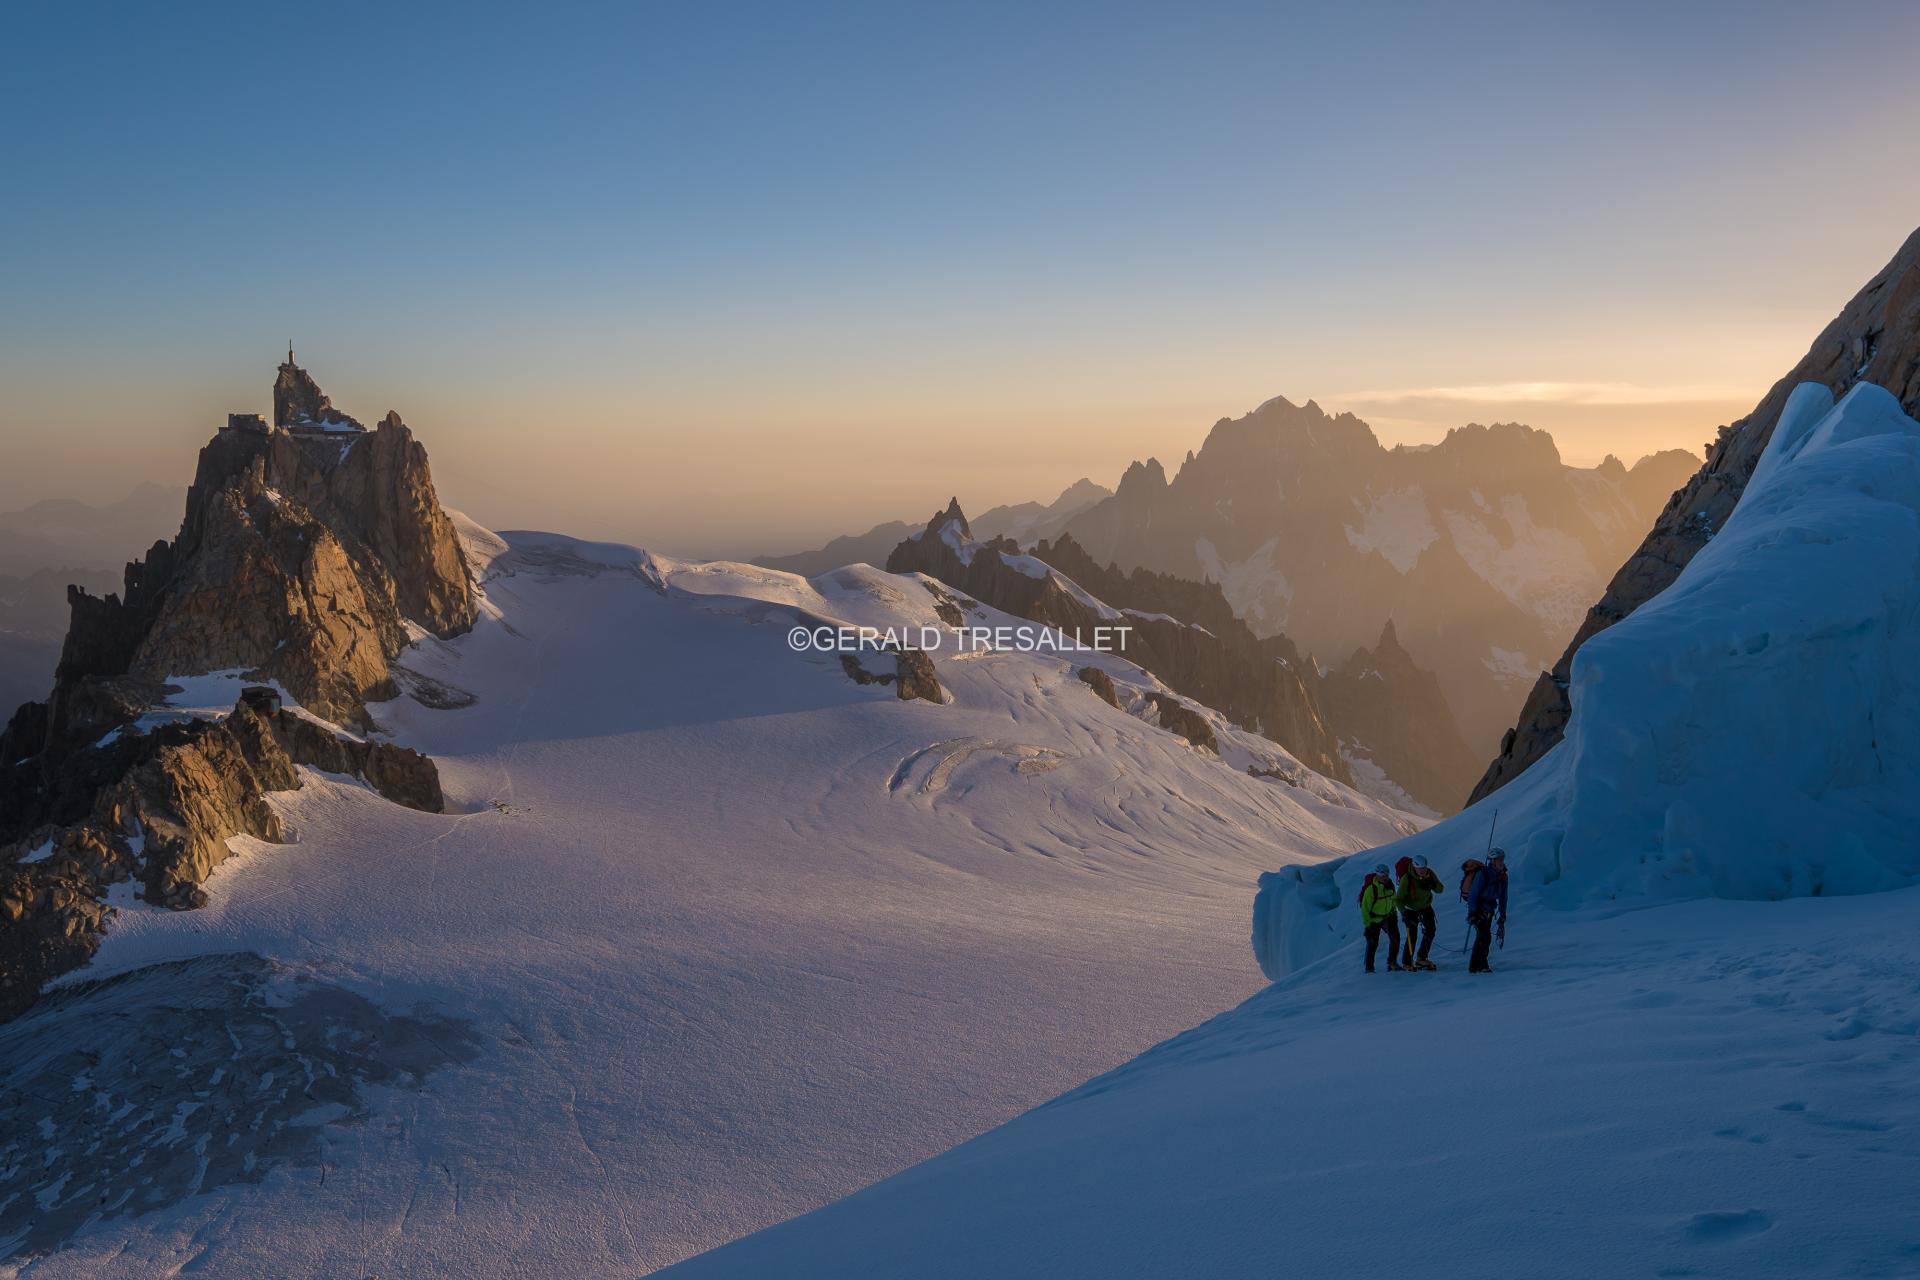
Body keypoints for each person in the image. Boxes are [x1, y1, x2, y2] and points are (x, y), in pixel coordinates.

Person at [1393, 853, 1444, 970]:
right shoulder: (1407, 878)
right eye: (1420, 868)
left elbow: (1440, 889)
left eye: (1424, 868)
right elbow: (1398, 899)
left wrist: (1432, 884)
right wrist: (1404, 912)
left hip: (1425, 907)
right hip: (1411, 909)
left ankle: (1421, 958)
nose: (1422, 870)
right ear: (1414, 867)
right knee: (1412, 935)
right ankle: (1407, 962)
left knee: (1430, 930)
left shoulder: (1429, 874)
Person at [1465, 847, 1509, 973]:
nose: (1501, 861)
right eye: (1498, 859)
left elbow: (1503, 896)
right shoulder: (1483, 874)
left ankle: (1474, 966)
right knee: (1484, 936)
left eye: (1502, 859)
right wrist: (1472, 913)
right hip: (1479, 910)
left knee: (1482, 937)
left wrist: (1503, 913)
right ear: (1492, 860)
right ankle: (1482, 964)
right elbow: (1473, 895)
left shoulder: (1503, 876)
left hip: (1489, 910)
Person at [1359, 862, 1403, 973]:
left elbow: (1393, 900)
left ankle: (1392, 963)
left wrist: (1394, 913)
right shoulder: (1371, 890)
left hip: (1388, 917)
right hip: (1374, 919)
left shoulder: (1390, 885)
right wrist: (1368, 924)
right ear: (1377, 875)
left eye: (1386, 875)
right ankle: (1369, 968)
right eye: (1382, 876)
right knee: (1373, 942)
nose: (1385, 878)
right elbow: (1365, 908)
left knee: (1395, 938)